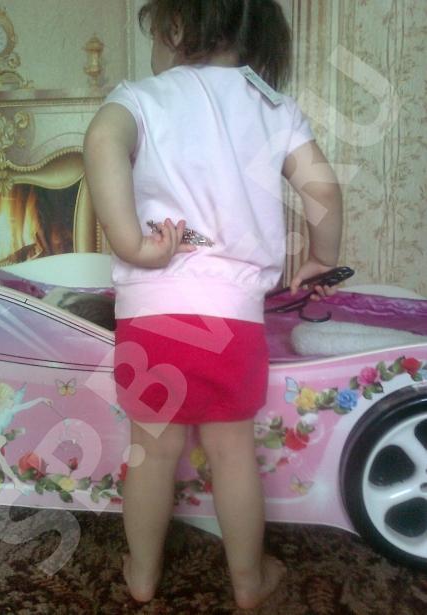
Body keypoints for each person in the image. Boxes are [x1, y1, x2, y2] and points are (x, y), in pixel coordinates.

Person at [83, 0, 343, 609]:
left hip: (152, 316)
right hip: (231, 321)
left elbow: (99, 140)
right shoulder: (272, 107)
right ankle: (249, 582)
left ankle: (142, 575)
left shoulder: (141, 98)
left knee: (152, 452)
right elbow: (324, 190)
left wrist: (132, 244)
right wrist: (320, 257)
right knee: (232, 453)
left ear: (176, 26)